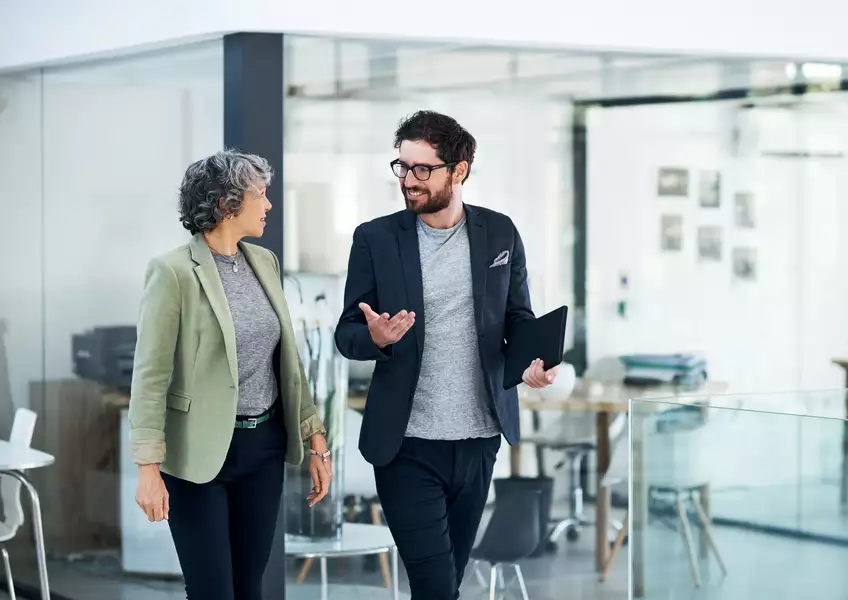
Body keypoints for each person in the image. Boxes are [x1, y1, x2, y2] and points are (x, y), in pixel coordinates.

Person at [335, 111, 557, 599]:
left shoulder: (500, 233)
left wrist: (532, 364)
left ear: (459, 171)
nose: (409, 181)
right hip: (406, 444)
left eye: (422, 170)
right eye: (403, 167)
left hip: (479, 439)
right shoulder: (375, 238)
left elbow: (518, 318)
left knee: (445, 583)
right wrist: (376, 338)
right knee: (437, 588)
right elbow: (346, 334)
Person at [129, 149, 332, 600]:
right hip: (199, 454)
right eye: (261, 194)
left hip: (262, 447)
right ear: (226, 204)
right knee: (212, 591)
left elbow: (289, 361)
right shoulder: (173, 271)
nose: (269, 205)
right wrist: (147, 467)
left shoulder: (264, 262)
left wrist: (315, 437)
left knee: (248, 588)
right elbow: (149, 376)